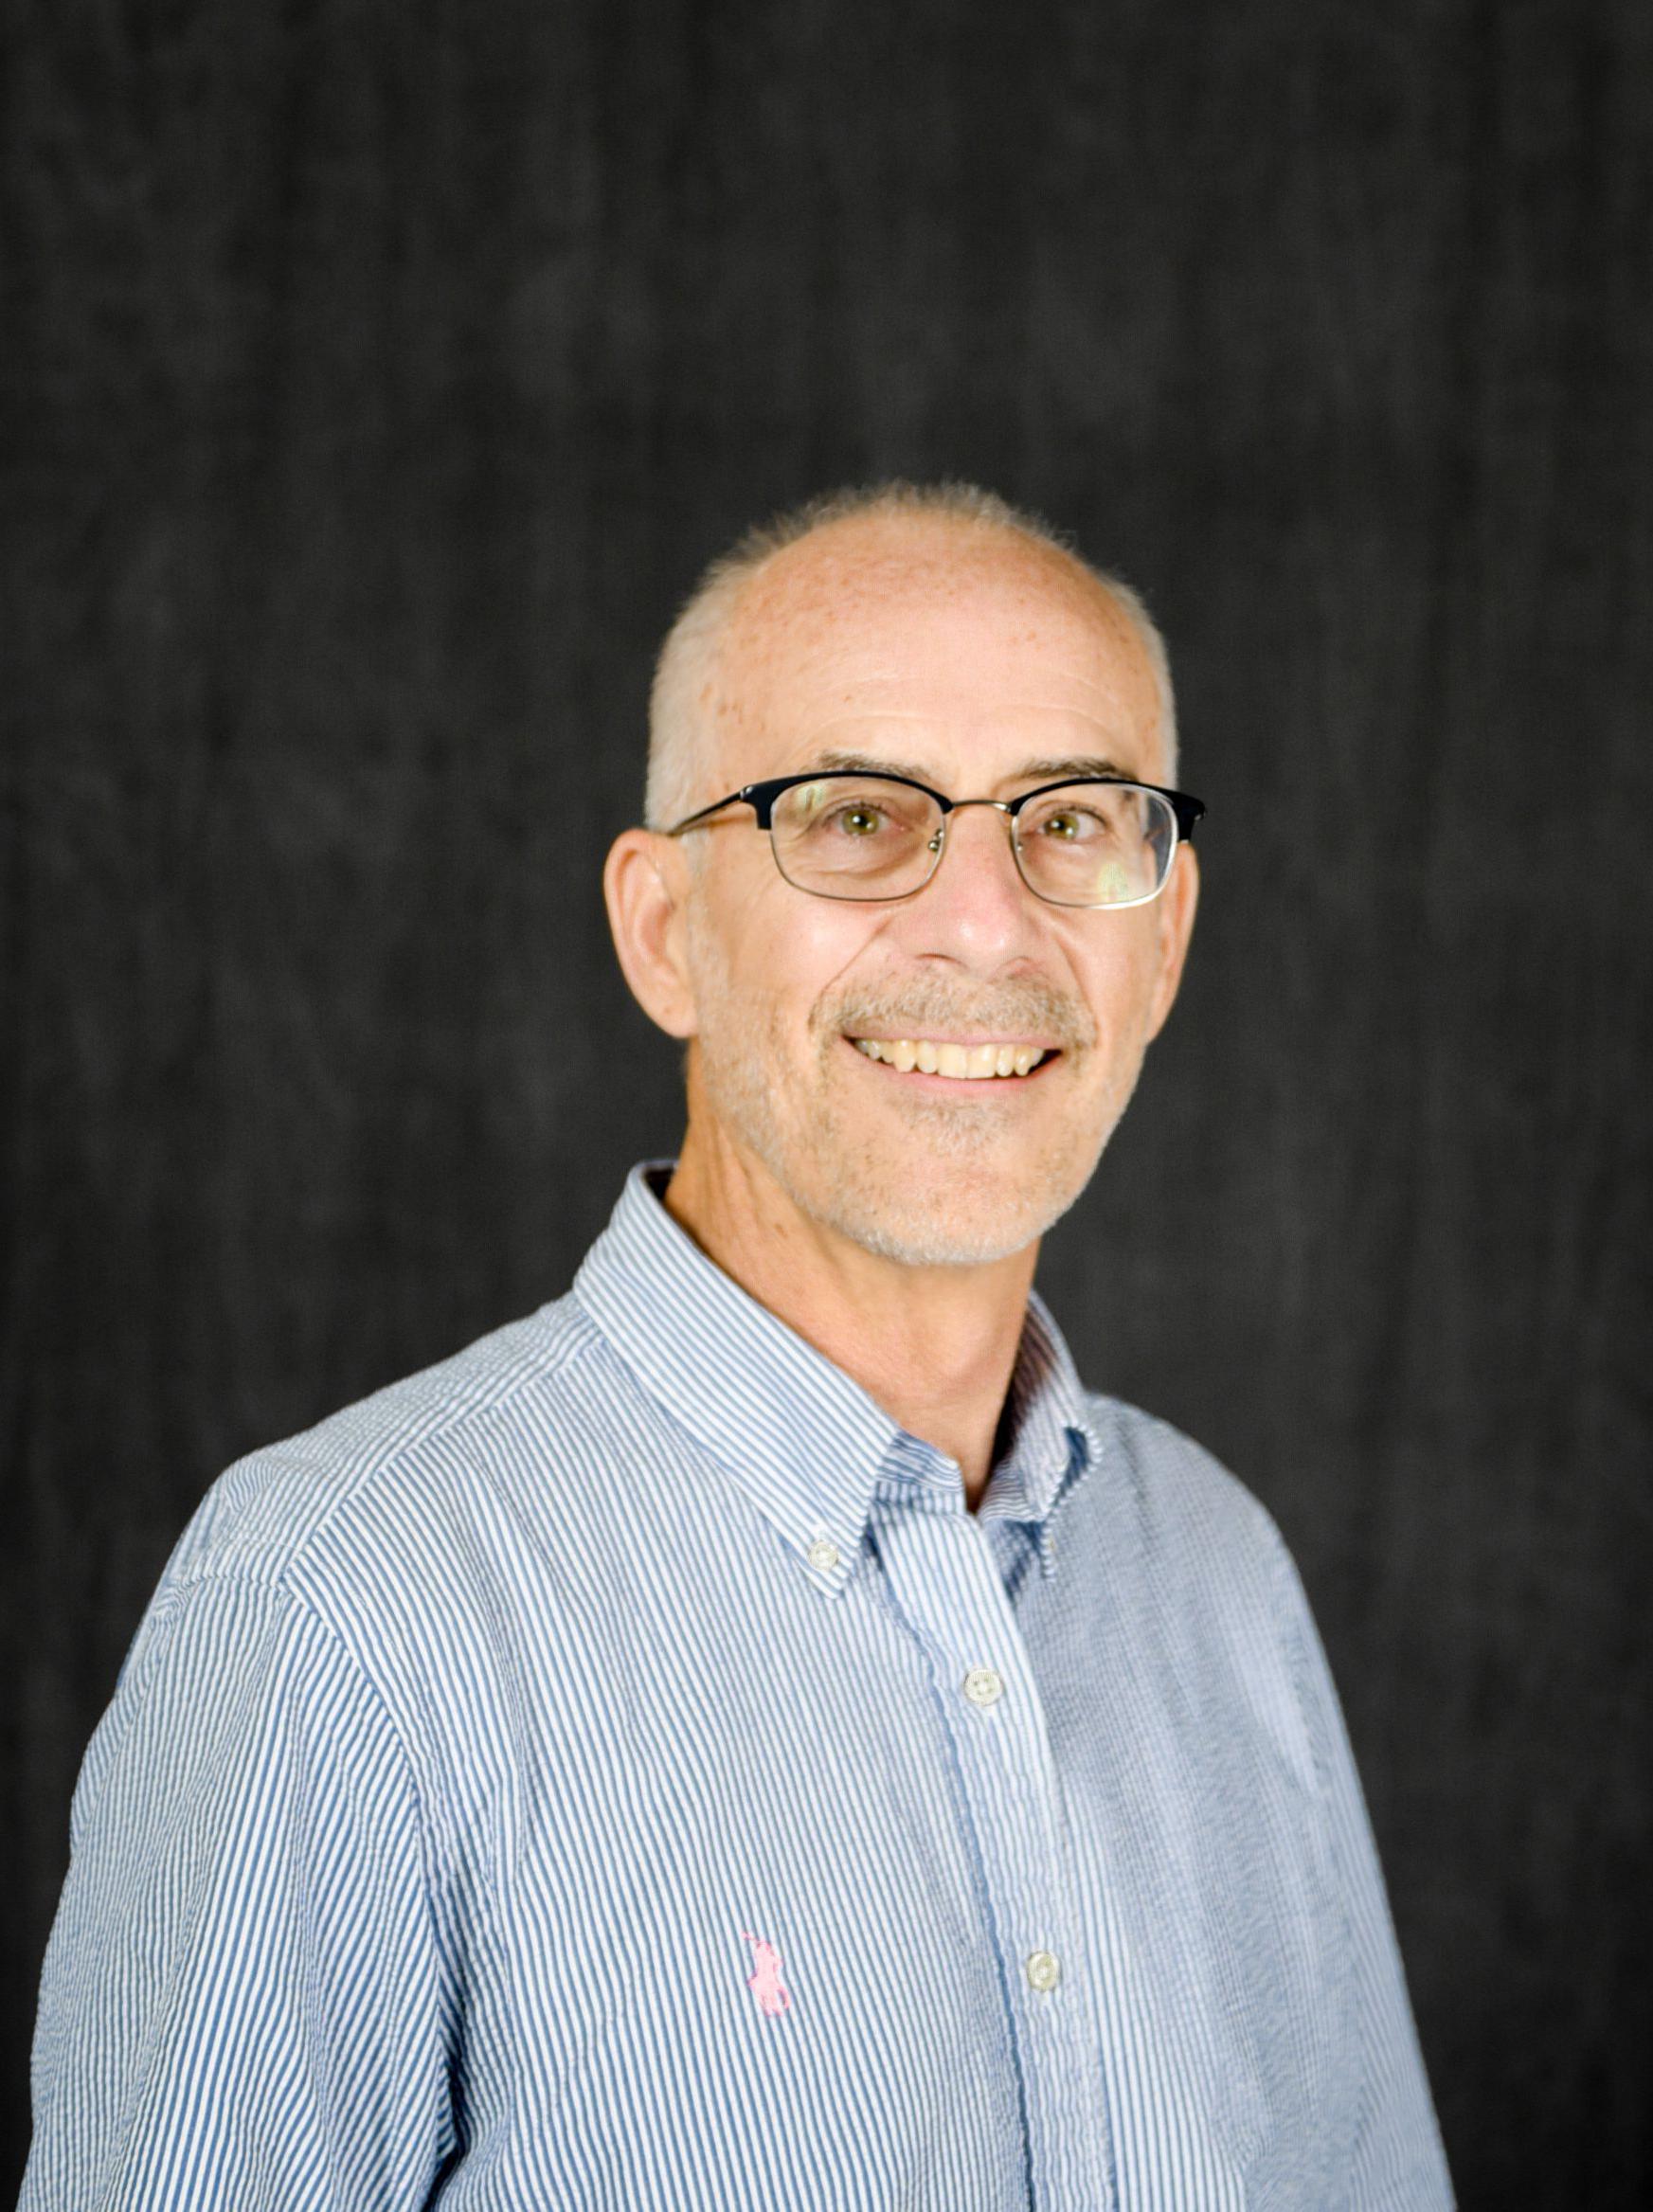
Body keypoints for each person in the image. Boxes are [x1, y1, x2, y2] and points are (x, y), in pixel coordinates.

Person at [20, 481, 1453, 2210]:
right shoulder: (346, 1605)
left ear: (1165, 937)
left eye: (1072, 821)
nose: (986, 925)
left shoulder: (1216, 1573)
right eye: (855, 816)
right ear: (663, 933)